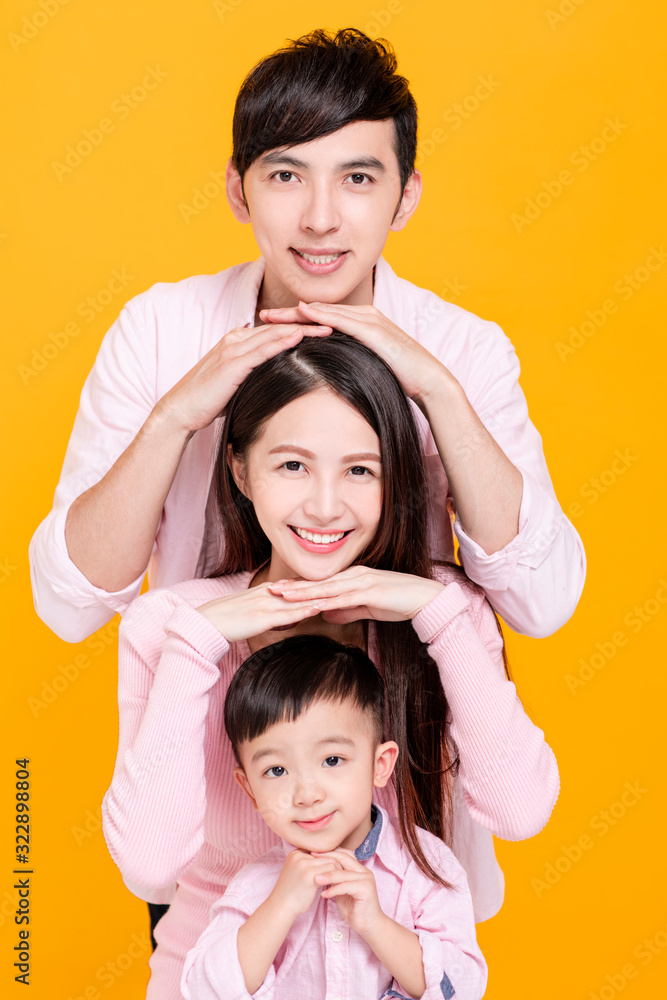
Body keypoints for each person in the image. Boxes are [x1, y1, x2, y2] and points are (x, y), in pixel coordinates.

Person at [29, 28, 585, 646]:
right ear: (240, 191)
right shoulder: (159, 328)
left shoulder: (464, 348)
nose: (320, 219)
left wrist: (439, 395)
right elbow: (67, 607)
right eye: (287, 176)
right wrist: (174, 420)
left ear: (405, 198)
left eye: (358, 179)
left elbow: (544, 604)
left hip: (396, 726)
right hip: (199, 718)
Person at [102, 333, 559, 998]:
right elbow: (149, 867)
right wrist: (197, 643)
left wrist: (438, 614)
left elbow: (519, 812)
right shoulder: (171, 624)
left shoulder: (440, 612)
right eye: (291, 466)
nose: (323, 506)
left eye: (359, 470)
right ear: (239, 470)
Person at [180, 634, 487, 1000]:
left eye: (332, 760)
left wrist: (375, 924)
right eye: (276, 770)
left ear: (380, 764)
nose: (308, 795)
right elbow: (202, 991)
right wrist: (279, 908)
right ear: (249, 790)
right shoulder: (257, 886)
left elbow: (464, 988)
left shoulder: (425, 866)